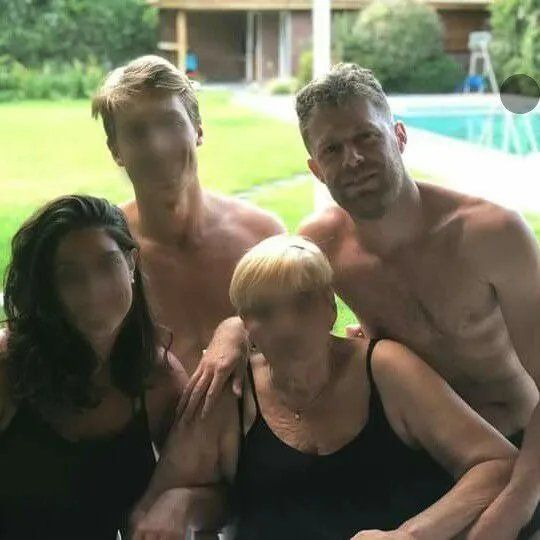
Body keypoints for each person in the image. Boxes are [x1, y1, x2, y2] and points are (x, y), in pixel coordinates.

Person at [181, 63, 540, 539]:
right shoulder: (324, 243)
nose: (353, 159)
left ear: (400, 137)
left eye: (367, 137)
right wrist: (231, 331)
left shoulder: (491, 235)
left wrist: (512, 507)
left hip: (520, 453)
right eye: (332, 149)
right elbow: (274, 307)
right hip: (414, 456)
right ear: (316, 168)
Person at [131, 235, 516, 540]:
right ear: (245, 324)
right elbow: (157, 507)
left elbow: (495, 461)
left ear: (330, 307)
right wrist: (180, 501)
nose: (286, 326)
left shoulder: (385, 368)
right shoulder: (231, 391)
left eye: (302, 303)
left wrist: (410, 535)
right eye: (264, 312)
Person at [0, 195, 221, 539]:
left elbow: (214, 490)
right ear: (47, 287)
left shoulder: (158, 379)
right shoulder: (7, 368)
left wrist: (179, 503)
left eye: (107, 264)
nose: (94, 288)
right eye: (70, 275)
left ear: (131, 263)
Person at [91, 55, 284, 392]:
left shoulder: (263, 238)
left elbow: (312, 354)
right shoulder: (101, 256)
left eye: (170, 123)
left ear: (198, 130)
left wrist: (240, 328)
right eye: (137, 132)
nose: (157, 146)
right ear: (115, 150)